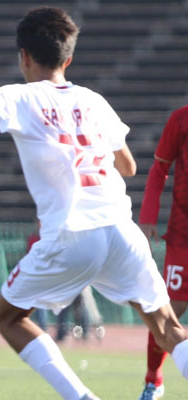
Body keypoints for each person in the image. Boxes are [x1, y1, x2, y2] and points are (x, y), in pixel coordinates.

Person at [0, 7, 188, 399]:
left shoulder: (20, 96)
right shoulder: (93, 100)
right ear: (68, 58)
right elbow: (127, 165)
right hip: (122, 232)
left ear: (23, 56)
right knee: (167, 326)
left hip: (73, 234)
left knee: (7, 316)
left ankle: (82, 398)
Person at [137, 104, 188, 399]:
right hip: (182, 238)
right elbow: (159, 169)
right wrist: (147, 218)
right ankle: (153, 380)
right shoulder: (180, 120)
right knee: (167, 314)